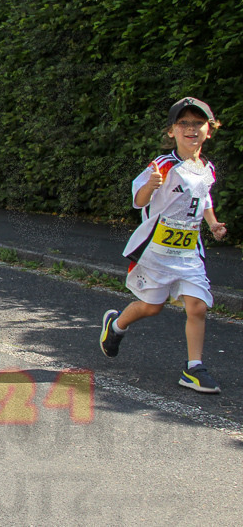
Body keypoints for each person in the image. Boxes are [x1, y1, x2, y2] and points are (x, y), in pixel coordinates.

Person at [101, 97, 228, 393]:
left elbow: (203, 200)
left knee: (196, 306)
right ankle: (116, 325)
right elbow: (139, 201)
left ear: (209, 130)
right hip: (157, 252)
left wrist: (212, 223)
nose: (191, 129)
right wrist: (149, 186)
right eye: (183, 123)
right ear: (171, 131)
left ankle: (194, 368)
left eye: (198, 123)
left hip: (188, 253)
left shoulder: (206, 168)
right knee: (150, 307)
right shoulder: (163, 165)